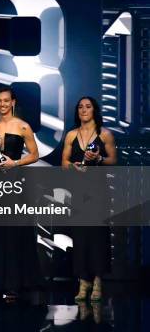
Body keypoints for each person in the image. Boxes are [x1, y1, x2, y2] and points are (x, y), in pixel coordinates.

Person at [0, 87, 40, 302]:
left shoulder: (22, 126)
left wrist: (16, 162)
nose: (1, 104)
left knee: (13, 232)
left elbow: (35, 154)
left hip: (15, 184)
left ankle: (12, 284)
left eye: (5, 101)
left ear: (13, 102)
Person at [61, 96, 116, 301]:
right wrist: (74, 167)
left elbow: (113, 161)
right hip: (78, 190)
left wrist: (99, 159)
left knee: (98, 235)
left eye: (88, 107)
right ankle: (83, 282)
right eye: (80, 107)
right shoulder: (71, 135)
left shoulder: (105, 134)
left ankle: (98, 281)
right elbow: (63, 163)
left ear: (95, 110)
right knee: (81, 236)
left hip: (98, 190)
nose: (84, 110)